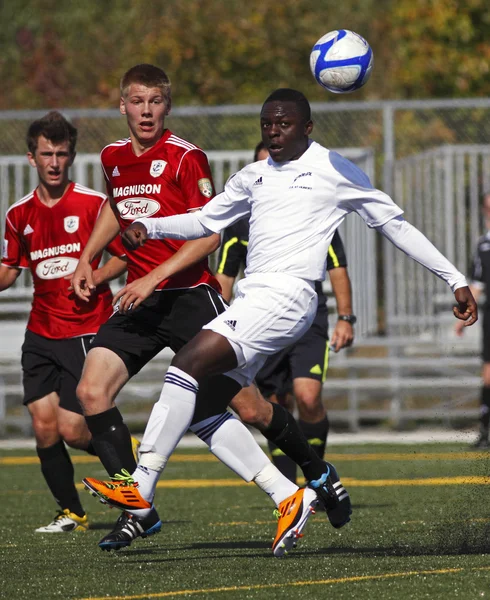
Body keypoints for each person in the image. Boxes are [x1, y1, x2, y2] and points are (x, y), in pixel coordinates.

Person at [83, 88, 477, 559]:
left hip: (289, 296)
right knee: (207, 407)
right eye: (267, 123)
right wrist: (155, 227)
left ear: (306, 128)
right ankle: (292, 497)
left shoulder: (334, 169)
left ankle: (141, 488)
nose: (273, 131)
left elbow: (394, 225)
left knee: (186, 366)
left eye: (284, 123)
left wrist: (454, 279)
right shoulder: (253, 176)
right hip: (255, 298)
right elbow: (207, 219)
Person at [72, 66, 345, 556]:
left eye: (155, 100)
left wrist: (152, 276)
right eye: (137, 101)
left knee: (247, 407)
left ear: (167, 106)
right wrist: (87, 258)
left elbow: (209, 233)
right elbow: (115, 209)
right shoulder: (111, 157)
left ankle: (315, 473)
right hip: (140, 300)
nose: (147, 110)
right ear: (123, 106)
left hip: (188, 298)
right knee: (91, 391)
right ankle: (139, 508)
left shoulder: (185, 157)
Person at [0, 111, 127, 532]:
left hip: (87, 330)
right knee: (43, 426)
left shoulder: (93, 205)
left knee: (74, 430)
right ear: (30, 158)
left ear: (71, 157)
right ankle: (71, 511)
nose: (54, 162)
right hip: (40, 333)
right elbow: (9, 271)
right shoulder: (19, 215)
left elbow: (124, 256)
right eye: (45, 154)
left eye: (61, 154)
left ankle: (129, 468)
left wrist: (96, 274)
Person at [217, 141, 355, 483]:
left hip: (307, 315)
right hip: (262, 318)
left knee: (308, 396)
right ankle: (290, 488)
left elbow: (337, 268)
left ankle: (318, 475)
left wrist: (346, 317)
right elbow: (224, 278)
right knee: (274, 401)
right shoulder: (239, 224)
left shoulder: (313, 212)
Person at [455, 191, 490, 448]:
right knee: (488, 375)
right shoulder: (483, 245)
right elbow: (477, 284)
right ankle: (485, 432)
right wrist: (462, 315)